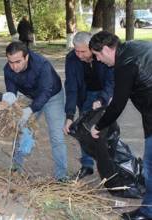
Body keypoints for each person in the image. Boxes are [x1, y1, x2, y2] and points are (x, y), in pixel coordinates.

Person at [89, 31, 152, 220]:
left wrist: (98, 126)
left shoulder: (124, 63)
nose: (98, 60)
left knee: (149, 166)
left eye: (98, 55)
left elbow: (117, 105)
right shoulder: (135, 46)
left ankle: (148, 213)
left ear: (107, 49)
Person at [3, 41, 67, 181]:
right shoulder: (8, 69)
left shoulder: (41, 65)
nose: (14, 66)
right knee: (22, 131)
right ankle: (15, 170)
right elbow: (12, 91)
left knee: (57, 136)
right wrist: (11, 100)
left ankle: (61, 176)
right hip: (30, 97)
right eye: (10, 62)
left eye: (18, 62)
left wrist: (30, 110)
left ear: (27, 57)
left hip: (52, 96)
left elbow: (45, 91)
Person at [63, 32, 114, 180]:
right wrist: (70, 115)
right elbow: (71, 87)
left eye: (83, 51)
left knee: (107, 129)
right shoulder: (72, 59)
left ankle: (111, 166)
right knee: (84, 131)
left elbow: (111, 81)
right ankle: (87, 166)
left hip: (106, 93)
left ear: (91, 47)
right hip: (85, 96)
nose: (79, 55)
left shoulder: (102, 54)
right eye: (76, 50)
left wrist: (103, 99)